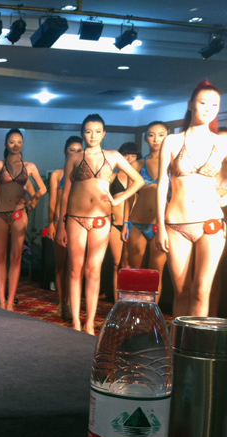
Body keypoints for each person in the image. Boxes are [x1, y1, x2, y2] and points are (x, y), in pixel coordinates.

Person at [58, 114, 143, 333]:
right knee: (75, 270)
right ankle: (76, 321)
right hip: (75, 218)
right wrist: (60, 224)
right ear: (82, 133)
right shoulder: (74, 157)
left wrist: (118, 199)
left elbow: (138, 180)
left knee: (93, 271)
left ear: (104, 133)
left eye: (97, 131)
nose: (92, 135)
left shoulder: (113, 156)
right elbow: (65, 194)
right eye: (88, 131)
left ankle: (89, 322)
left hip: (101, 219)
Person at [156, 80, 227, 317]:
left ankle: (198, 341)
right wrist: (160, 227)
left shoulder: (222, 142)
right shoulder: (172, 141)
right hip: (176, 224)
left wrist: (223, 199)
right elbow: (161, 185)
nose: (209, 109)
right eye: (203, 103)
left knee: (201, 293)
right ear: (190, 104)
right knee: (182, 293)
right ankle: (179, 341)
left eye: (215, 105)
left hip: (210, 223)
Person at [0, 129, 47, 310]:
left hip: (19, 214)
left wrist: (31, 201)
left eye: (19, 142)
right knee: (0, 257)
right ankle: (1, 299)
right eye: (12, 142)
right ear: (5, 144)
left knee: (16, 258)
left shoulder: (29, 166)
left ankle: (10, 300)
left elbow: (43, 189)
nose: (16, 145)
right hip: (0, 213)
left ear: (23, 144)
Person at [123, 123, 169, 299]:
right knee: (137, 273)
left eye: (161, 135)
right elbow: (128, 197)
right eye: (151, 135)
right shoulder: (137, 164)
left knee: (156, 274)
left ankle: (151, 312)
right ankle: (136, 310)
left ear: (167, 137)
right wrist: (125, 222)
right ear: (145, 138)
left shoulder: (172, 164)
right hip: (137, 222)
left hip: (161, 224)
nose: (156, 139)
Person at [47, 136, 82, 318]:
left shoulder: (84, 174)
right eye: (71, 150)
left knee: (75, 266)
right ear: (65, 152)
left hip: (78, 223)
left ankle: (71, 302)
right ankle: (62, 302)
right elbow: (53, 202)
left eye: (79, 151)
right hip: (60, 222)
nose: (75, 153)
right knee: (61, 264)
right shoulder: (57, 174)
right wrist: (52, 223)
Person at [108, 141, 139, 295]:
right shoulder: (112, 176)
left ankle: (129, 300)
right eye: (126, 154)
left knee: (128, 265)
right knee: (116, 264)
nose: (129, 158)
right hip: (115, 224)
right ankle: (117, 302)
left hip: (134, 225)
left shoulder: (140, 177)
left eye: (133, 155)